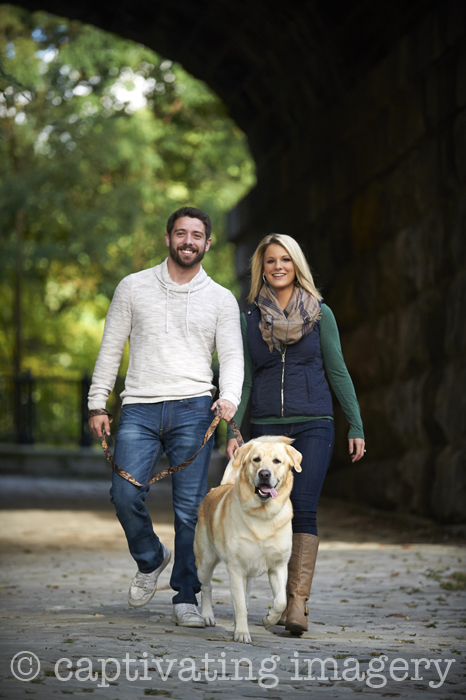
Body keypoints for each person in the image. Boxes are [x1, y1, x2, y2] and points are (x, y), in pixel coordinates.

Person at [88, 206, 243, 628]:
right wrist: (97, 402)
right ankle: (152, 557)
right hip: (138, 406)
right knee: (123, 494)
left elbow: (231, 356)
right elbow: (111, 346)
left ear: (208, 243)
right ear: (168, 238)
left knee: (190, 510)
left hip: (195, 408)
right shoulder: (133, 287)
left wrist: (228, 399)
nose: (188, 241)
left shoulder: (221, 299)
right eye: (181, 233)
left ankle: (185, 597)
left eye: (196, 235)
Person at [226, 233, 365, 636]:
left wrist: (355, 423)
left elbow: (337, 371)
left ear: (296, 264)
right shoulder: (249, 319)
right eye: (270, 261)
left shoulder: (321, 314)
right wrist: (232, 431)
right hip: (266, 427)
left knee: (302, 506)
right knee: (266, 509)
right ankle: (278, 598)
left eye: (285, 259)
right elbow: (247, 379)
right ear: (262, 268)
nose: (278, 266)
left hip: (314, 423)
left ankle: (296, 604)